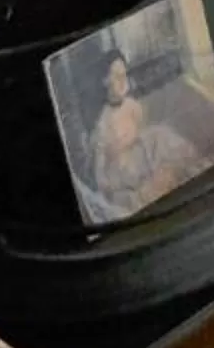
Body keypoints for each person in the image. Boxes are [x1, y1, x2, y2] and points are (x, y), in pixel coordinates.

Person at [87, 50, 207, 220]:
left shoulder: (132, 106)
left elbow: (143, 133)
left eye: (125, 75)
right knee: (144, 190)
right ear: (105, 81)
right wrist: (113, 187)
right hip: (125, 176)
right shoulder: (102, 125)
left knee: (160, 136)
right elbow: (101, 176)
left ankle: (193, 168)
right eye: (116, 76)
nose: (123, 81)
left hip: (146, 159)